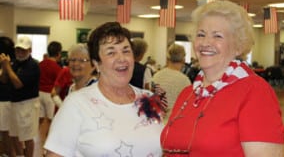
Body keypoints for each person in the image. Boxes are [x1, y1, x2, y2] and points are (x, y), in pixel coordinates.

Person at [160, 0, 284, 156]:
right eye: (201, 34)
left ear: (238, 46)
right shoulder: (188, 94)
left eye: (217, 36)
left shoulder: (254, 92)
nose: (206, 42)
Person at [44, 22, 165, 156]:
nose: (121, 58)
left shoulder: (149, 100)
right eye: (111, 52)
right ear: (96, 64)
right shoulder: (76, 104)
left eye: (126, 51)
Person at [0, 36, 40, 157]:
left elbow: (18, 84)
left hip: (27, 104)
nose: (20, 53)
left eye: (23, 50)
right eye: (18, 50)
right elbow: (3, 80)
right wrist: (4, 67)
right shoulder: (15, 63)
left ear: (30, 50)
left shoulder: (33, 65)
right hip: (14, 103)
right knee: (14, 134)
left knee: (27, 137)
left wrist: (7, 66)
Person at [152, 43, 191, 119]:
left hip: (157, 119)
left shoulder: (156, 76)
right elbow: (188, 105)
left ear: (168, 58)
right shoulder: (184, 80)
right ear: (183, 59)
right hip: (175, 120)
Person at [39, 41, 62, 139]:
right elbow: (59, 84)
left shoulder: (40, 64)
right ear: (59, 54)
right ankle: (47, 142)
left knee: (40, 119)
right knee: (51, 120)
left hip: (39, 93)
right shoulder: (57, 68)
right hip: (49, 94)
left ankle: (37, 139)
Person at [0, 36, 15, 157]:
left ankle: (9, 153)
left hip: (5, 101)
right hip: (5, 101)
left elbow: (4, 80)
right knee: (5, 132)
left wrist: (5, 66)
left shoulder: (9, 62)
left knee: (6, 132)